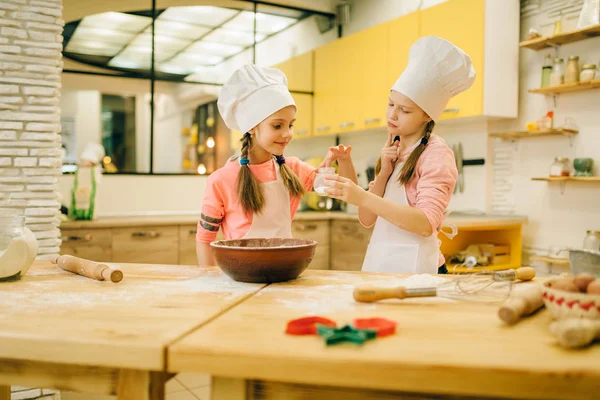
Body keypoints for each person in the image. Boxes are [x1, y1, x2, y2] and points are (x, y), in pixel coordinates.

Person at [324, 36, 475, 274]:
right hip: (382, 266)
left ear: (427, 115)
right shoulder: (393, 150)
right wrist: (384, 172)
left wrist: (363, 197)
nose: (392, 115)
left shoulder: (436, 154)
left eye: (404, 110)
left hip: (420, 272)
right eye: (390, 104)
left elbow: (426, 224)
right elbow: (367, 219)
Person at [196, 64, 357, 267]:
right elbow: (204, 239)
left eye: (291, 125)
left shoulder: (293, 169)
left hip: (284, 270)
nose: (288, 133)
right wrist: (209, 280)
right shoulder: (221, 179)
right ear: (252, 126)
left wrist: (343, 161)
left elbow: (347, 191)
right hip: (240, 277)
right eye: (277, 125)